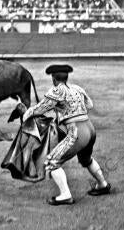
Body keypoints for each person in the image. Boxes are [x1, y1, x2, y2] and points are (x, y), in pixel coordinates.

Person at [22, 64, 111, 206]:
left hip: (77, 132)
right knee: (86, 159)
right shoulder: (77, 88)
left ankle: (65, 195)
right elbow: (90, 105)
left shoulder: (57, 91)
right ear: (67, 77)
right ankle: (102, 185)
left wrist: (27, 115)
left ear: (53, 78)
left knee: (52, 162)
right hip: (90, 128)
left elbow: (40, 109)